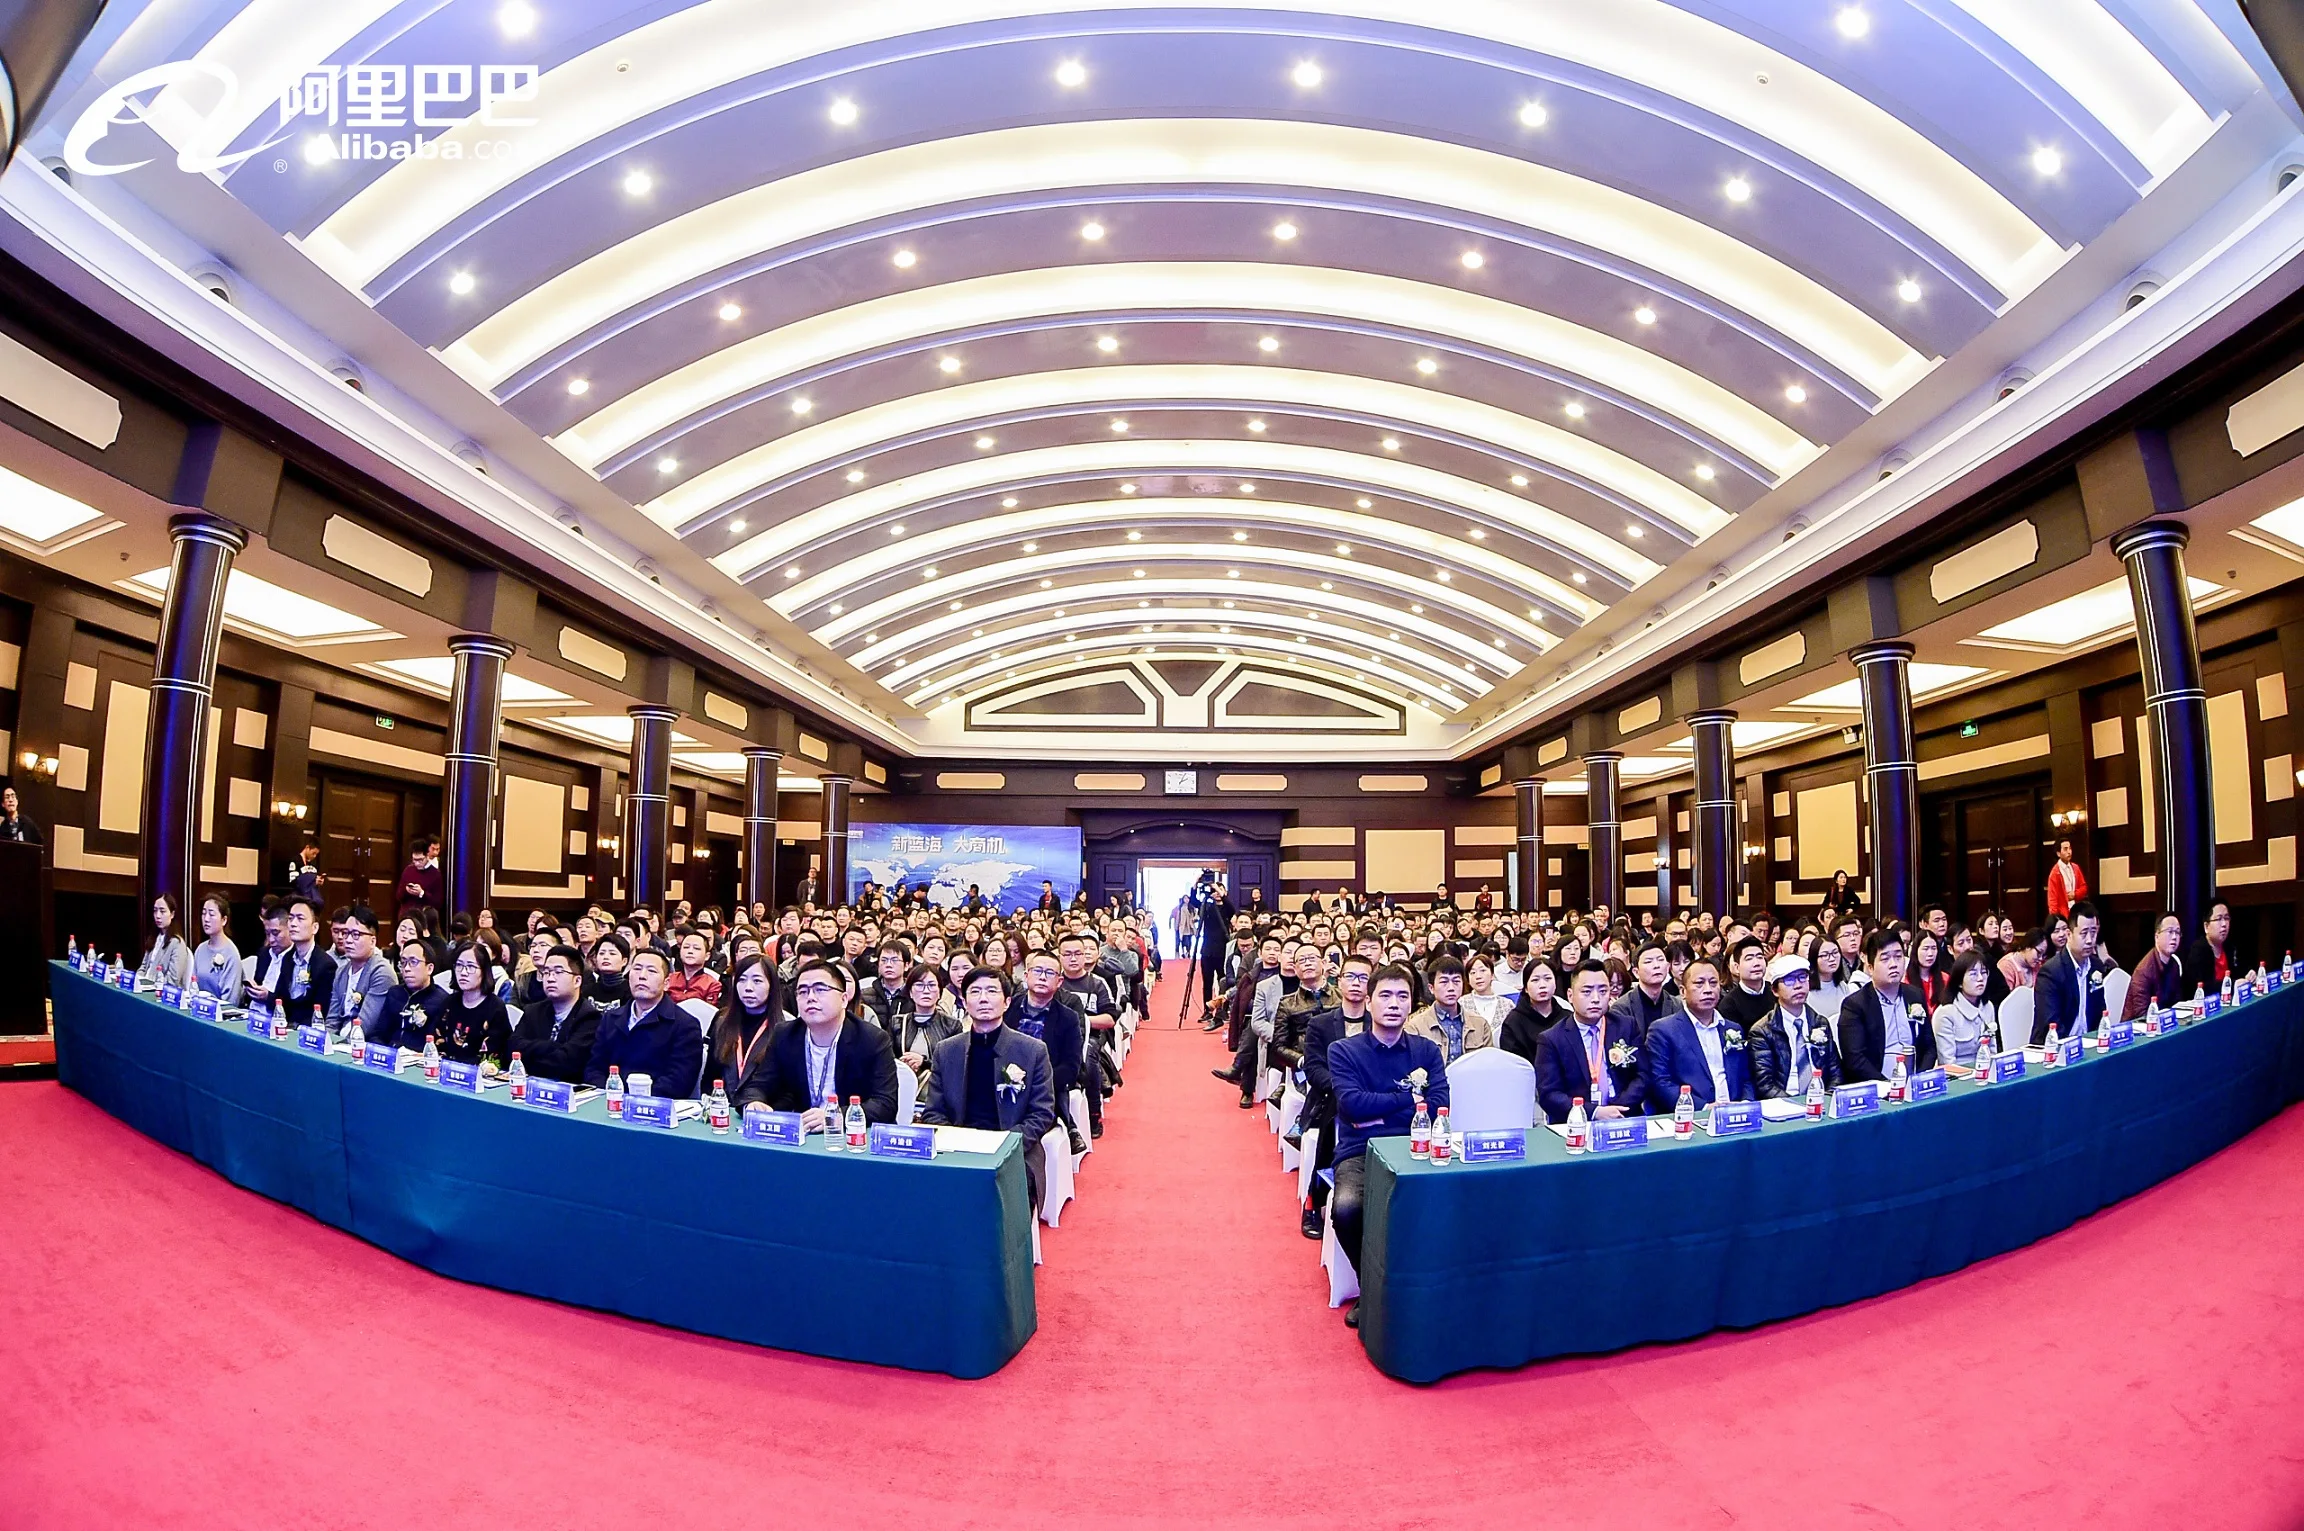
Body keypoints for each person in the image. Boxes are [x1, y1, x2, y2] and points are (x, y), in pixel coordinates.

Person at [1326, 962, 1450, 1326]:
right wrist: (1410, 1100)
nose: (1394, 1004)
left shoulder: (1427, 1051)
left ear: (1412, 1003)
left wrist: (1380, 1110)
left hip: (1417, 1147)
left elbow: (1441, 1105)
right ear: (1368, 1002)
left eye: (1402, 996)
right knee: (1347, 1208)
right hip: (1361, 1151)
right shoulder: (1344, 1050)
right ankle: (1371, 1289)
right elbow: (1352, 1105)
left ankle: (1433, 1287)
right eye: (1385, 995)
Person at [919, 966, 1057, 1210]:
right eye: (975, 992)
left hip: (1014, 1148)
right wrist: (957, 1143)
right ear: (964, 1002)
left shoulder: (1032, 1051)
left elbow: (1041, 1113)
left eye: (992, 991)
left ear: (1007, 1002)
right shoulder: (947, 1050)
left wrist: (1006, 1145)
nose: (983, 998)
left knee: (1002, 1195)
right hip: (957, 1147)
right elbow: (934, 1111)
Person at [732, 957, 900, 1128]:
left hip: (849, 1135)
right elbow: (759, 1085)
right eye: (803, 991)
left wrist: (835, 1117)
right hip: (801, 1132)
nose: (810, 997)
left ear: (843, 999)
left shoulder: (872, 1039)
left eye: (820, 989)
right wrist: (754, 1102)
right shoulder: (785, 1034)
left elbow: (885, 1103)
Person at [1533, 959, 1648, 1124]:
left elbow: (1643, 1075)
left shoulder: (1626, 1026)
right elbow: (1549, 1094)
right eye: (1587, 992)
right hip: (1577, 1122)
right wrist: (1595, 1112)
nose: (1596, 998)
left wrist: (1617, 1109)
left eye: (1603, 991)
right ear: (1570, 995)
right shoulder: (1552, 1039)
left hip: (1624, 1116)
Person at [585, 947, 705, 1098]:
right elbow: (594, 1068)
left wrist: (633, 1098)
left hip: (654, 1105)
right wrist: (611, 1096)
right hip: (609, 1101)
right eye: (637, 969)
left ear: (667, 983)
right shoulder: (611, 1018)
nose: (642, 976)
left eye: (651, 971)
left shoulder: (685, 1025)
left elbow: (679, 1082)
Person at [1640, 955, 1753, 1110]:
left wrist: (1746, 1104)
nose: (1708, 990)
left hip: (1736, 1112)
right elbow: (1661, 1082)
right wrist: (1704, 1108)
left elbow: (1745, 1077)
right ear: (1683, 991)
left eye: (1713, 983)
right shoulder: (1663, 1030)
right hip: (1692, 1115)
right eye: (1699, 983)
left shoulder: (1733, 1029)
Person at [1835, 926, 1937, 1081]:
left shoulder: (1915, 995)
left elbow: (1929, 1046)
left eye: (1898, 956)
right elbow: (1855, 1060)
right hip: (1878, 1086)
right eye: (1885, 959)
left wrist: (1919, 1079)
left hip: (1915, 1081)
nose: (1893, 964)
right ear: (1870, 967)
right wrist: (1888, 1086)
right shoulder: (1855, 1005)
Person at [1748, 952, 1839, 1099]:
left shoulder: (1820, 1023)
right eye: (1789, 980)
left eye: (1802, 977)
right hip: (1784, 1103)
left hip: (1821, 1099)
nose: (1798, 985)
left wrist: (1826, 1099)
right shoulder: (1762, 1031)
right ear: (1775, 990)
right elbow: (1764, 1084)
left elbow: (1836, 1072)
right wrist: (1796, 1105)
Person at [509, 942, 601, 1084]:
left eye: (558, 972)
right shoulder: (533, 1011)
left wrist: (531, 1054)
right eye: (546, 972)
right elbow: (512, 1047)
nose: (550, 978)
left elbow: (567, 1063)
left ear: (577, 981)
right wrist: (551, 1046)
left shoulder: (589, 1017)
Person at [2032, 899, 2111, 1046]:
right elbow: (2051, 1025)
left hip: (2089, 1045)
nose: (2090, 940)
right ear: (2069, 934)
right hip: (2055, 1049)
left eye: (2093, 932)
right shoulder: (2050, 973)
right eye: (2084, 933)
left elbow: (2100, 1013)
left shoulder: (2096, 966)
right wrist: (2078, 1047)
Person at [326, 905, 394, 1044]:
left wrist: (338, 1045)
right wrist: (325, 1041)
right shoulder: (341, 972)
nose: (348, 940)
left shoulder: (381, 972)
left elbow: (365, 1026)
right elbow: (332, 1021)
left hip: (364, 1044)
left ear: (372, 941)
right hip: (340, 1042)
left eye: (356, 935)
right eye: (346, 933)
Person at [1406, 952, 1492, 1062]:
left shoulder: (1480, 1025)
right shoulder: (1415, 1027)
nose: (1451, 988)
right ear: (1431, 988)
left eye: (1456, 981)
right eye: (1444, 982)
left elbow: (1488, 1064)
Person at [439, 940, 512, 1066]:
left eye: (471, 967)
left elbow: (495, 1055)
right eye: (459, 965)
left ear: (484, 971)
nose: (463, 972)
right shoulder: (449, 1002)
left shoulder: (495, 1007)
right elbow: (437, 1041)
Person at [376, 940, 451, 1049]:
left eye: (413, 962)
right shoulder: (394, 993)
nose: (406, 968)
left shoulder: (442, 1000)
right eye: (403, 962)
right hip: (390, 1053)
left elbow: (439, 1046)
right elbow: (378, 1034)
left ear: (429, 968)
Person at [1931, 953, 1999, 1071]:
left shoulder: (1988, 1007)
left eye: (1983, 972)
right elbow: (1947, 1062)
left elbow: (1992, 1050)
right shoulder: (1946, 1013)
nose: (1980, 978)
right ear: (1959, 982)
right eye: (1973, 974)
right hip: (1958, 1075)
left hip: (1986, 1071)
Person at [1608, 941, 1683, 1039]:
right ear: (1636, 972)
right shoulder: (1622, 1008)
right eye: (1648, 961)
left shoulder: (1677, 1005)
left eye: (1660, 960)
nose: (1656, 965)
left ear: (1668, 967)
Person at [1497, 958, 1563, 1067]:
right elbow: (1512, 1064)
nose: (1542, 985)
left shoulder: (1567, 1018)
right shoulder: (1513, 1022)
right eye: (1535, 980)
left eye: (1548, 978)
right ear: (1526, 988)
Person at [188, 891, 244, 1006]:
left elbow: (231, 1000)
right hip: (199, 1007)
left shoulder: (231, 953)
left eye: (211, 914)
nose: (206, 919)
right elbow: (193, 985)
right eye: (203, 913)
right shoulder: (201, 949)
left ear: (224, 920)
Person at [136, 891, 192, 989]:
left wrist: (152, 985)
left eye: (162, 911)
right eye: (155, 911)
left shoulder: (177, 943)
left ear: (172, 914)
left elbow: (173, 980)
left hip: (160, 990)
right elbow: (143, 968)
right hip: (144, 987)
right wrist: (137, 980)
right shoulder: (154, 937)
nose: (157, 916)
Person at [2182, 900, 2236, 991]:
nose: (2224, 924)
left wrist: (2248, 974)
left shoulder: (2229, 946)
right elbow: (2202, 987)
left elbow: (2238, 971)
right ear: (2206, 926)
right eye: (2218, 919)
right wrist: (2233, 984)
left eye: (2226, 918)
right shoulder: (2198, 951)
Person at [666, 929, 723, 1007]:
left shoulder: (713, 985)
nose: (690, 951)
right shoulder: (669, 979)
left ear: (707, 956)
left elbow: (709, 1011)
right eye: (686, 947)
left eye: (696, 948)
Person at [397, 835, 443, 920]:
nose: (417, 863)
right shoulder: (408, 870)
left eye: (420, 860)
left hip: (424, 918)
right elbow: (399, 896)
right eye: (414, 860)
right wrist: (406, 890)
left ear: (427, 856)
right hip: (406, 916)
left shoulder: (435, 874)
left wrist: (422, 893)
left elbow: (438, 903)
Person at [2045, 838, 2089, 919]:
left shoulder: (2075, 868)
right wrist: (2056, 919)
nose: (2069, 852)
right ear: (2058, 853)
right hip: (2063, 914)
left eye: (2070, 848)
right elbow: (2052, 900)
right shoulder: (2055, 873)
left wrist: (2075, 894)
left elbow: (2084, 888)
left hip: (2077, 912)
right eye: (2065, 849)